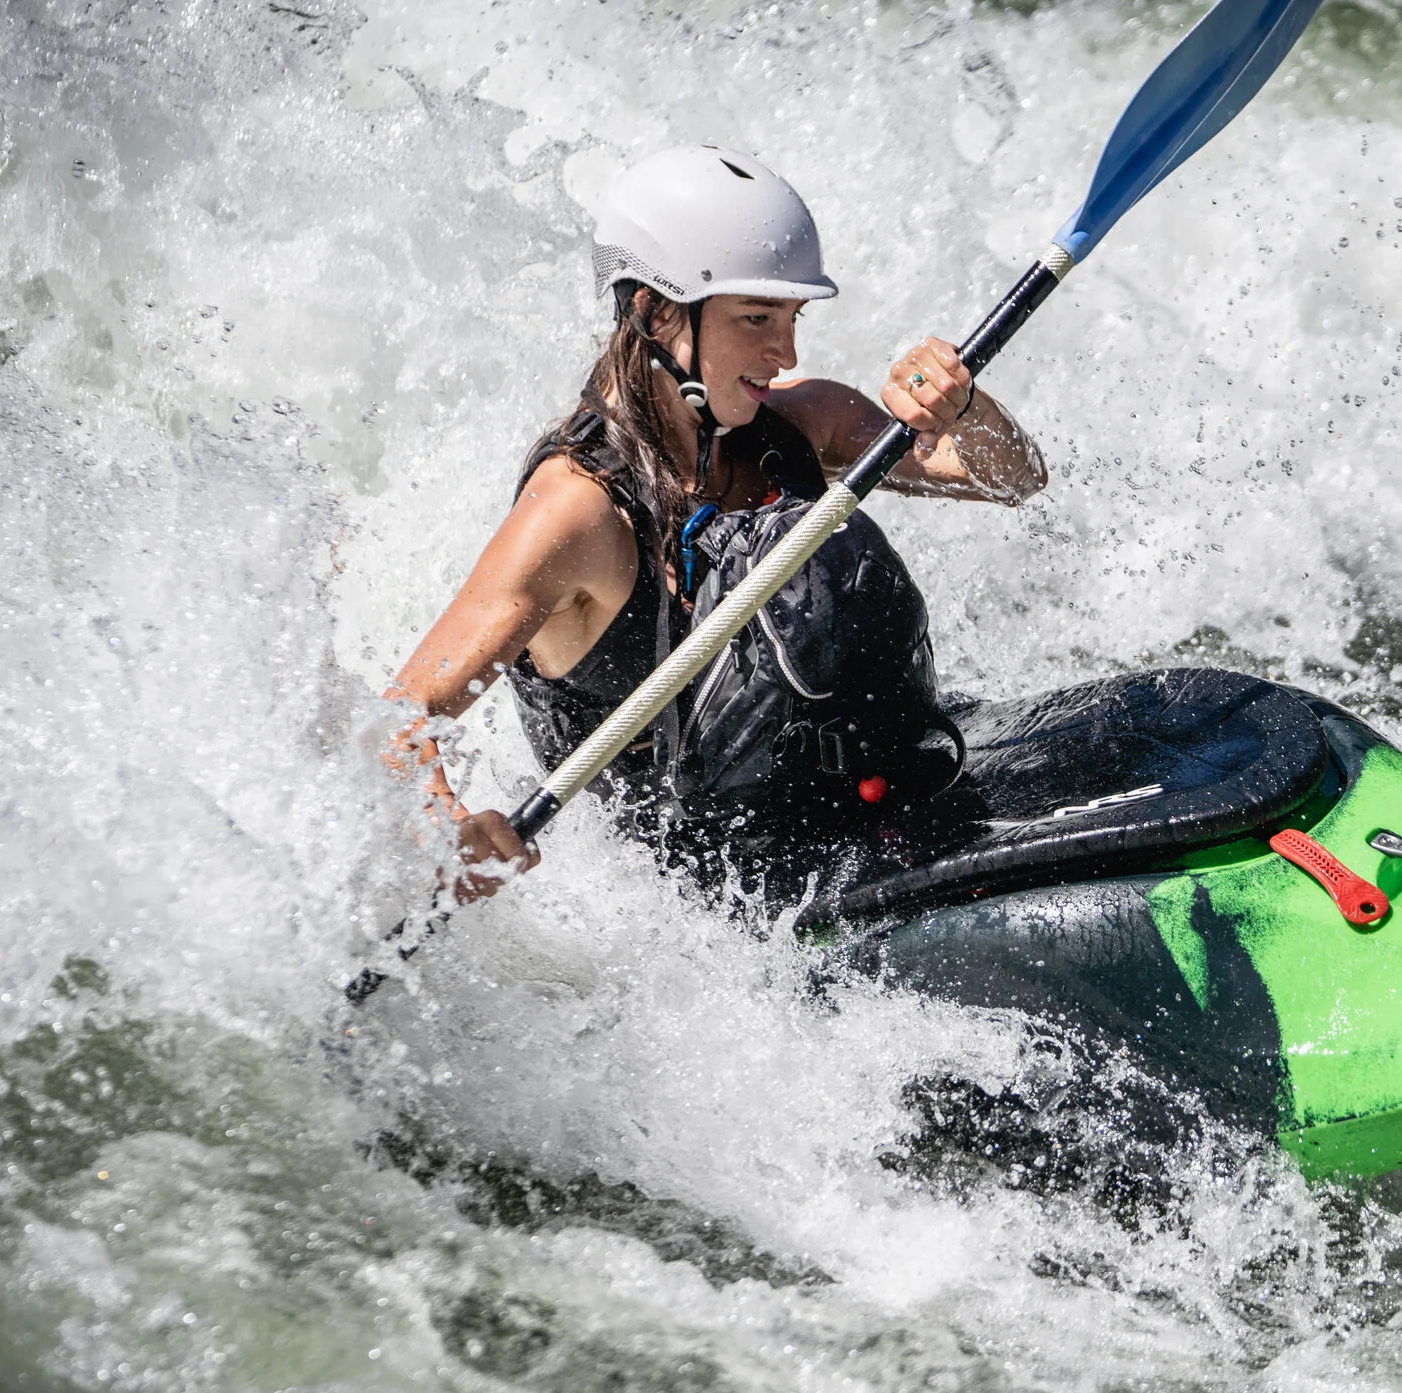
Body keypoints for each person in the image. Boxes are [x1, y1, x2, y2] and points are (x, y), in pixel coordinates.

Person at [384, 146, 1046, 901]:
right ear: (653, 311)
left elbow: (1012, 478)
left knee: (832, 553)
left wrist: (964, 406)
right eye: (757, 318)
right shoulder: (580, 511)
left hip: (858, 793)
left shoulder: (800, 420)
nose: (785, 351)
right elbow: (400, 722)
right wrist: (446, 829)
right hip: (705, 879)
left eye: (792, 317)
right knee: (811, 563)